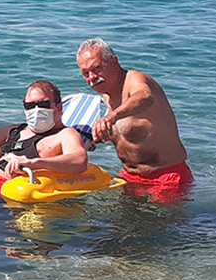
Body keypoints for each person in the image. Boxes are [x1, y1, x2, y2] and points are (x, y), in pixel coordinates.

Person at [76, 38, 192, 201]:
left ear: (114, 62)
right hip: (130, 179)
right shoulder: (107, 98)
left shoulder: (135, 80)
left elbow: (145, 97)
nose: (92, 77)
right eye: (85, 73)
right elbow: (127, 134)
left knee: (164, 226)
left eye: (97, 68)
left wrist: (112, 116)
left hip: (167, 178)